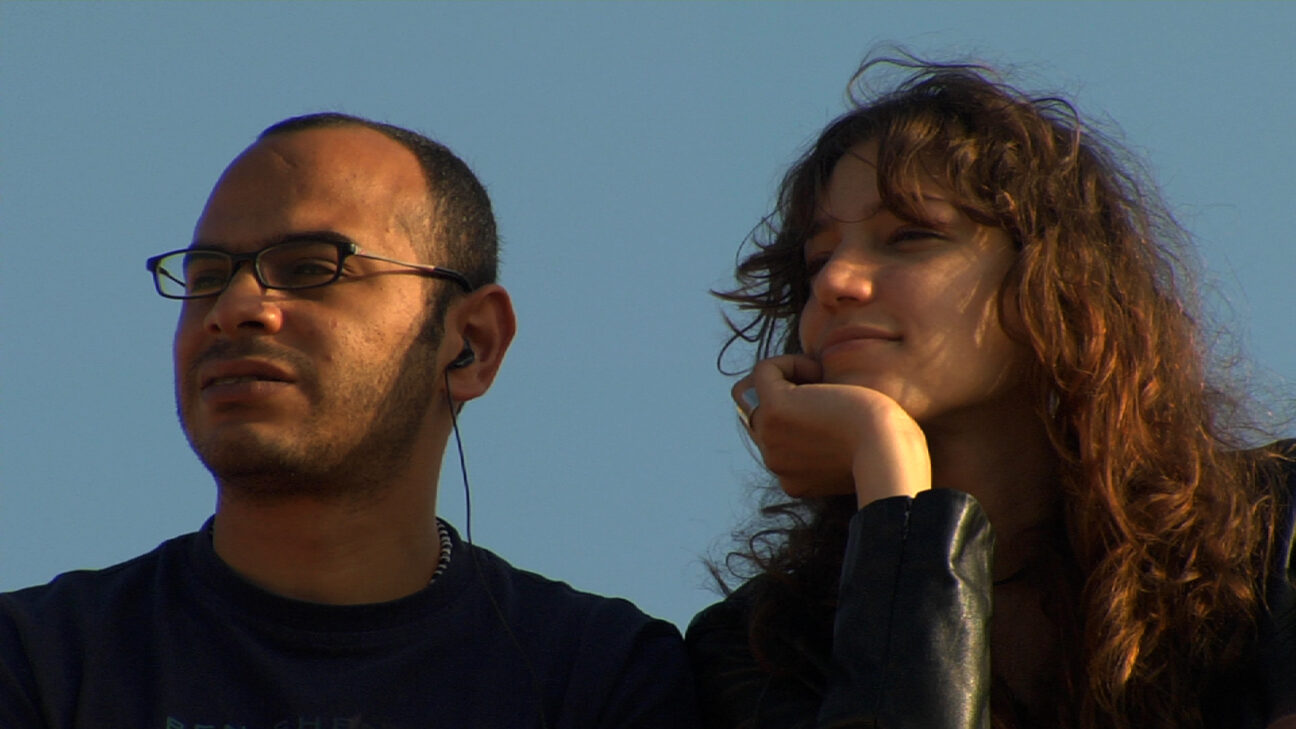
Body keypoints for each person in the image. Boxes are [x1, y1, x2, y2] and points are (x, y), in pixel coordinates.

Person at [0, 113, 698, 728]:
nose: (234, 308)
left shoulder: (600, 674)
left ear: (472, 343)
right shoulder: (39, 660)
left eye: (310, 268)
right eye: (207, 276)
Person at [686, 56, 1296, 729]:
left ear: (1056, 282)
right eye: (818, 259)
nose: (836, 282)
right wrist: (889, 475)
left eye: (909, 236)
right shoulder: (763, 645)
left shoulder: (1277, 527)